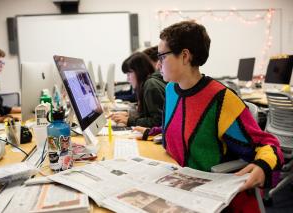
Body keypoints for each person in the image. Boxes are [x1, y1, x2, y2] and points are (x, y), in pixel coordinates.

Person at [144, 21, 283, 211]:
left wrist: (263, 165)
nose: (158, 64)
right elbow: (179, 124)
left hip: (208, 196)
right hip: (175, 182)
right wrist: (150, 131)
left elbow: (266, 143)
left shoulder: (221, 99)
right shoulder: (171, 89)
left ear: (184, 56)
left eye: (162, 56)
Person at [109, 52, 166, 127]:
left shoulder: (151, 85)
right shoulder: (149, 83)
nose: (128, 78)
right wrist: (130, 114)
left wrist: (129, 121)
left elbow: (159, 121)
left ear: (139, 71)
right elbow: (148, 114)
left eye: (129, 74)